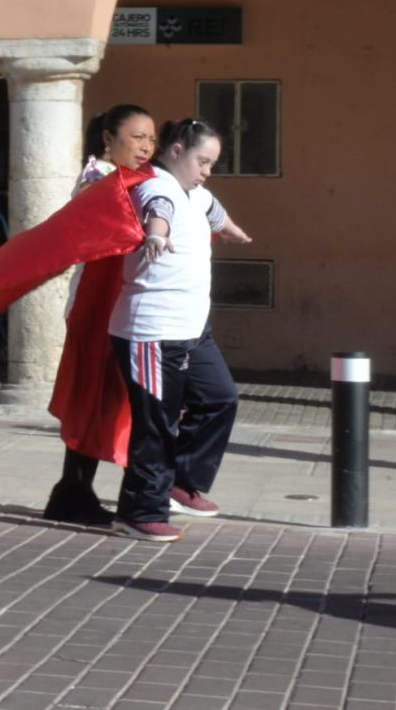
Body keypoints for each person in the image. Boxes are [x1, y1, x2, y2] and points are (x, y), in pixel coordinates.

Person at [109, 117, 252, 542]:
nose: (207, 170)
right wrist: (156, 235)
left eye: (211, 164)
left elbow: (212, 209)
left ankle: (178, 481)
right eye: (202, 161)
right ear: (175, 152)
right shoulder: (155, 184)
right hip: (152, 330)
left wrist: (231, 230)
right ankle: (139, 511)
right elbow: (159, 212)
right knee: (156, 422)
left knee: (220, 399)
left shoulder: (196, 192)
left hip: (192, 328)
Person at [42, 104, 156, 525]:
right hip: (97, 305)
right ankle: (79, 491)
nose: (146, 146)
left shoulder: (131, 179)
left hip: (115, 302)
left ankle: (80, 491)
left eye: (151, 139)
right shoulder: (98, 179)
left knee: (114, 398)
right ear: (109, 139)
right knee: (96, 397)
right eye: (137, 137)